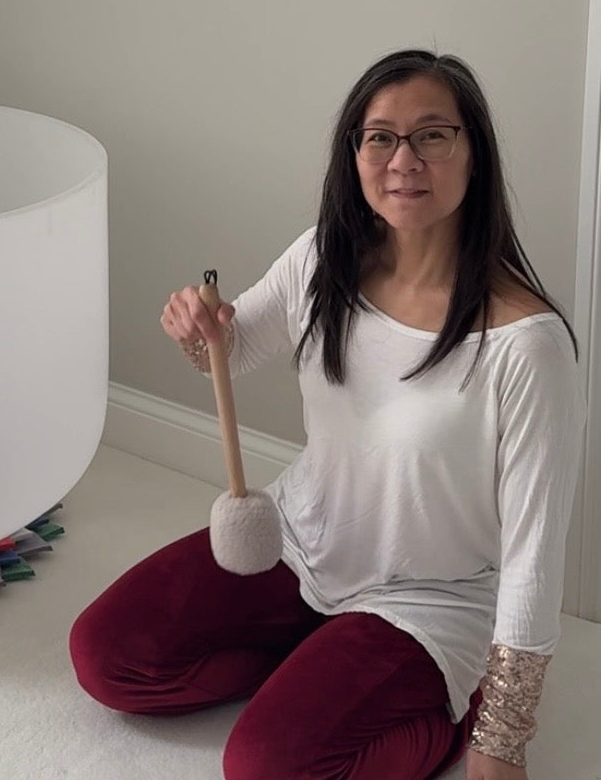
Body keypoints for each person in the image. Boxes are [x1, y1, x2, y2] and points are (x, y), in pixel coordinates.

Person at [69, 49, 587, 780]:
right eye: (381, 137)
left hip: (426, 599)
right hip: (297, 541)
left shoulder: (527, 345)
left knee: (265, 768)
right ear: (355, 153)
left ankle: (447, 713)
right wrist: (199, 325)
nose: (403, 159)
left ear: (474, 154)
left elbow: (534, 552)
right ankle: (306, 657)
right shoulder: (323, 259)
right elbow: (232, 349)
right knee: (107, 657)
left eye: (432, 135)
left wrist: (503, 734)